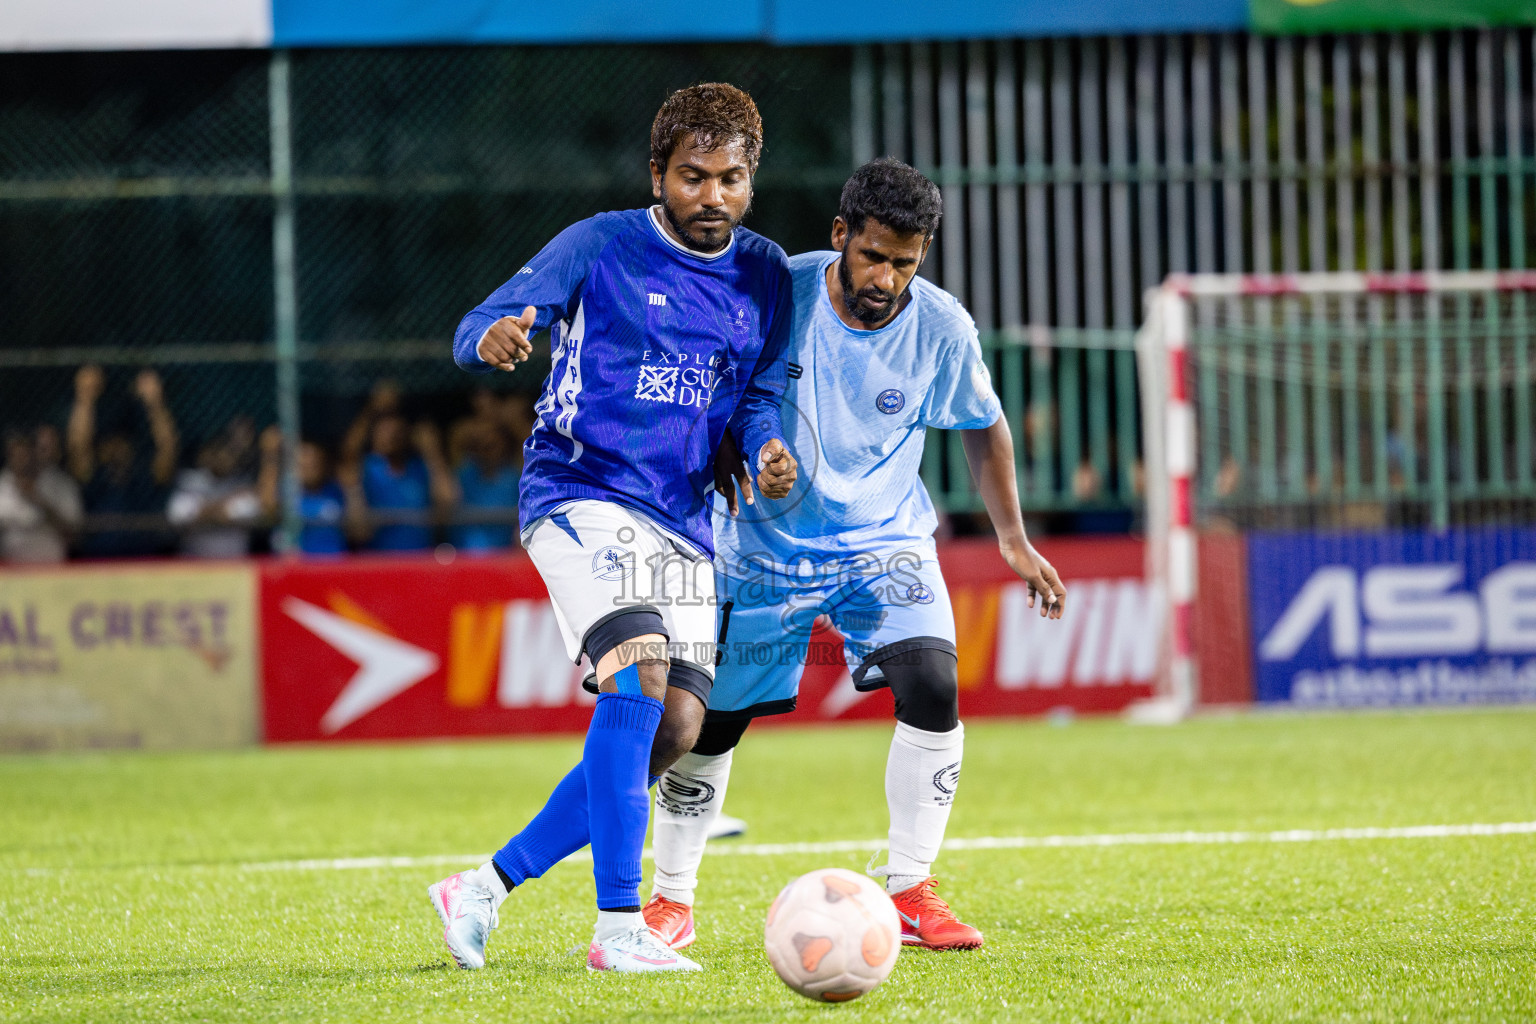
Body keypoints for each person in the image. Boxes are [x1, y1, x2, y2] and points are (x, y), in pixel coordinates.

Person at [641, 159, 1068, 954]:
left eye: (905, 263)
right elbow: (708, 388)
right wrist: (735, 451)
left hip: (884, 542)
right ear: (841, 234)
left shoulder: (941, 327)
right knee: (711, 726)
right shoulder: (779, 290)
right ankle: (671, 900)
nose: (886, 279)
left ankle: (910, 888)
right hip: (760, 545)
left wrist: (1012, 538)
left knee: (933, 684)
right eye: (873, 256)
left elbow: (983, 422)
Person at [427, 82, 797, 975]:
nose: (713, 196)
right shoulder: (601, 244)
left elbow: (758, 394)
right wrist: (492, 340)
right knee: (640, 674)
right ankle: (620, 925)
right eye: (694, 176)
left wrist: (767, 445)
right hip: (581, 490)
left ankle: (482, 886)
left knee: (675, 728)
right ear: (658, 174)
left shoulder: (766, 273)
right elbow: (478, 322)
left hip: (685, 521)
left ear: (752, 180)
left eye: (731, 179)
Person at [67, 365, 179, 558]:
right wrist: (84, 400)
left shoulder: (143, 473)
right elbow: (78, 448)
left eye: (121, 444)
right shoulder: (95, 475)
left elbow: (168, 449)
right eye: (109, 444)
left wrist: (155, 405)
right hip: (98, 558)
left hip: (144, 558)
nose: (115, 450)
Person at [344, 401, 457, 553]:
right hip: (379, 558)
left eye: (397, 431)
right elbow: (358, 531)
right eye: (384, 431)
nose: (391, 437)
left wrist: (432, 452)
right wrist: (372, 408)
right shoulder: (367, 468)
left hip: (420, 557)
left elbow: (449, 502)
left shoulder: (420, 468)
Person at [257, 427, 358, 555]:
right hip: (297, 563)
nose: (308, 467)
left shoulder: (335, 489)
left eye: (314, 464)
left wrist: (352, 489)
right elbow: (267, 506)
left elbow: (359, 533)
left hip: (334, 562)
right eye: (302, 464)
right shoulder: (284, 489)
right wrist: (270, 456)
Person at [167, 427, 262, 558]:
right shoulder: (190, 481)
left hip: (234, 562)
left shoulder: (242, 482)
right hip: (194, 562)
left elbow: (249, 511)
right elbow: (178, 514)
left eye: (227, 452)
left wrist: (204, 511)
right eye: (215, 452)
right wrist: (225, 503)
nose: (220, 457)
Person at [0, 429, 82, 563]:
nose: (20, 459)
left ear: (34, 453)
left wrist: (38, 501)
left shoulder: (59, 483)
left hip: (52, 566)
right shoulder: (3, 484)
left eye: (24, 454)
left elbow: (74, 533)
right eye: (15, 454)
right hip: (9, 568)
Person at [449, 419, 520, 554]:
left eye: (491, 445)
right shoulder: (464, 473)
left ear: (504, 444)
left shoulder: (515, 478)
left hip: (503, 556)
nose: (486, 450)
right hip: (463, 555)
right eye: (479, 444)